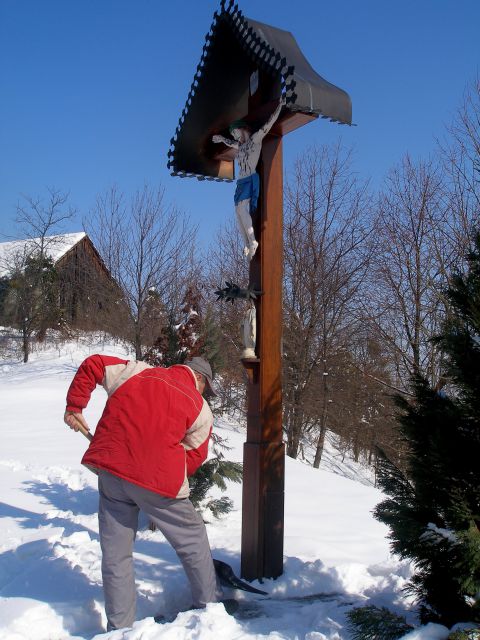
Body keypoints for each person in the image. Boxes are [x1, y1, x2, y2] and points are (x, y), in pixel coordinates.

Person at [64, 354, 224, 630]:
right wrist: (163, 470)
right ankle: (210, 607)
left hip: (112, 471)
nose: (203, 393)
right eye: (205, 387)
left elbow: (94, 364)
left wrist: (75, 406)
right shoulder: (200, 408)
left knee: (116, 554)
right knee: (192, 539)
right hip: (158, 483)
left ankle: (120, 628)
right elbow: (195, 455)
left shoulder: (134, 371)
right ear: (198, 378)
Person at [212, 97, 284, 260]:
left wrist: (280, 105)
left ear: (242, 129)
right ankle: (247, 242)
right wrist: (221, 139)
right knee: (237, 212)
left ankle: (253, 241)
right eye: (234, 135)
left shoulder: (255, 140)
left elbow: (268, 124)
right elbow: (231, 143)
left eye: (236, 133)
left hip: (250, 178)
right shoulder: (241, 146)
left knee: (241, 210)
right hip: (240, 182)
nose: (236, 137)